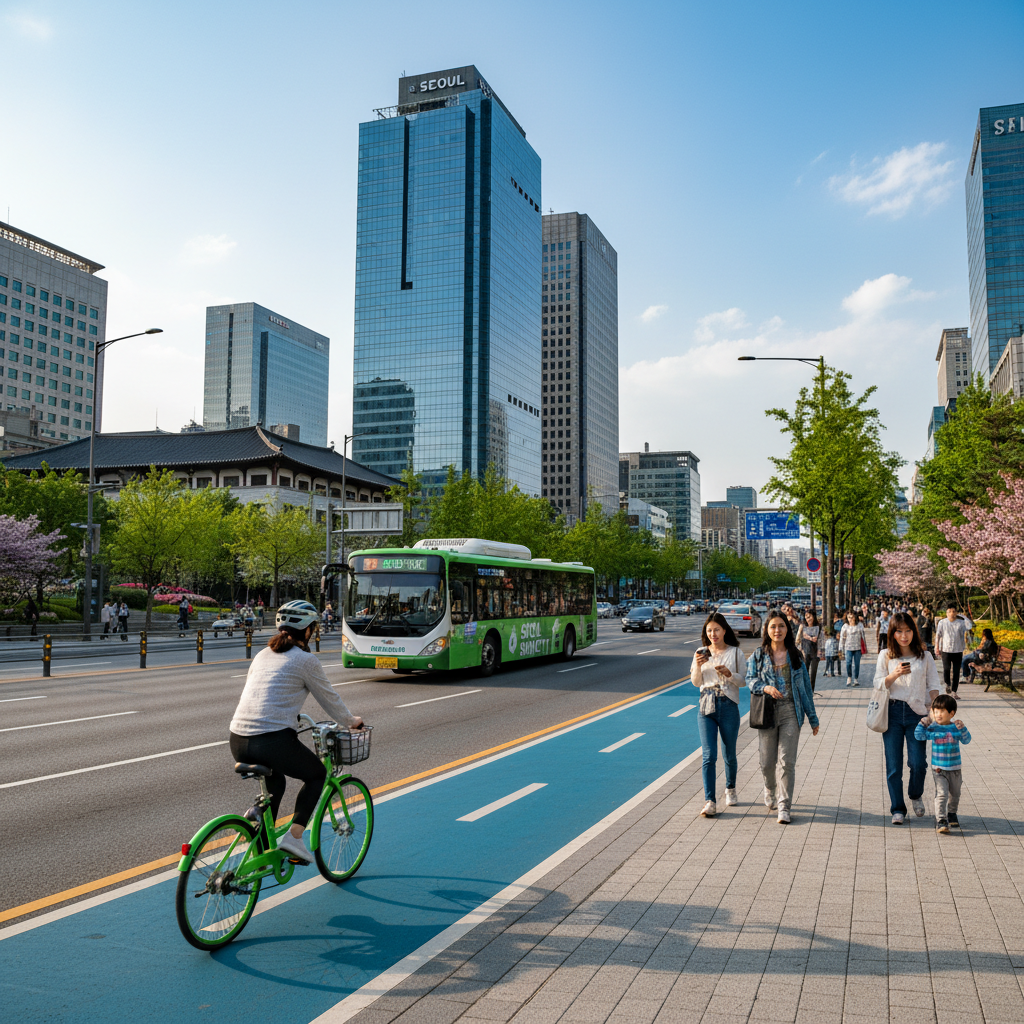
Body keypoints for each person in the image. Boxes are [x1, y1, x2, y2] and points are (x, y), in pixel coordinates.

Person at [229, 600, 364, 863]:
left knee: (276, 782)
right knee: (317, 775)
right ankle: (294, 838)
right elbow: (329, 699)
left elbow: (260, 693)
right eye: (314, 627)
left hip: (237, 739)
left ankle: (262, 842)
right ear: (307, 630)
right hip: (270, 740)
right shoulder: (305, 660)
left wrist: (290, 715)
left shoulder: (262, 654)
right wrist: (351, 721)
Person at [745, 612, 820, 824]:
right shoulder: (759, 655)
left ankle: (784, 805)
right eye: (773, 627)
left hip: (790, 712)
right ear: (767, 630)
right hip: (767, 712)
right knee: (767, 762)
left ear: (787, 629)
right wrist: (765, 687)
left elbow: (805, 690)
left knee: (787, 761)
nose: (777, 630)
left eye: (781, 626)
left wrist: (813, 718)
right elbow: (750, 679)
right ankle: (770, 788)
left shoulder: (796, 655)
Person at [874, 611, 940, 825]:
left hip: (918, 714)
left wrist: (935, 711)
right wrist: (894, 675)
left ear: (914, 631)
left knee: (918, 763)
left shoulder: (925, 656)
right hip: (892, 713)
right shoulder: (885, 655)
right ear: (892, 633)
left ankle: (915, 794)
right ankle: (897, 809)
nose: (904, 636)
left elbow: (933, 685)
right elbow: (877, 683)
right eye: (899, 631)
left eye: (908, 631)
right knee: (894, 766)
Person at [691, 613, 749, 818]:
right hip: (706, 706)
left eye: (716, 629)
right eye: (709, 630)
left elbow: (743, 681)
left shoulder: (735, 652)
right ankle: (710, 801)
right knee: (709, 755)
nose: (713, 634)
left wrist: (729, 674)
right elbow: (696, 682)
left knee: (729, 754)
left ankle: (730, 788)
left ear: (724, 630)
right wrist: (698, 665)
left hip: (728, 705)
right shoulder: (700, 652)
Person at [915, 694, 971, 834]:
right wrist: (922, 723)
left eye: (942, 711)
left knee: (955, 794)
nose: (938, 714)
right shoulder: (933, 727)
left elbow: (966, 740)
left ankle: (952, 813)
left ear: (951, 713)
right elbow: (919, 736)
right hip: (939, 769)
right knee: (942, 794)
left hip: (955, 768)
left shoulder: (955, 727)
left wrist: (963, 728)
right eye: (935, 711)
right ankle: (941, 819)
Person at [935, 605, 973, 695]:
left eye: (953, 611)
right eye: (949, 611)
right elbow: (938, 635)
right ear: (946, 613)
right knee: (946, 669)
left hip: (958, 650)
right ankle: (947, 684)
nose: (951, 613)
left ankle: (954, 691)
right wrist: (937, 647)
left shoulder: (961, 623)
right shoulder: (942, 623)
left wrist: (963, 616)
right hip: (946, 650)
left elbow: (969, 626)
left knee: (956, 671)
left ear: (956, 613)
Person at [796, 609, 823, 690]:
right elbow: (797, 639)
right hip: (805, 652)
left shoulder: (819, 626)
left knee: (813, 673)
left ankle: (811, 691)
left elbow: (821, 639)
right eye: (806, 617)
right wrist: (799, 650)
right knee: (805, 672)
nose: (808, 619)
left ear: (813, 616)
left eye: (810, 617)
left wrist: (821, 651)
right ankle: (805, 690)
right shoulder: (803, 626)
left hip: (815, 652)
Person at [840, 611, 866, 687]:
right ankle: (849, 677)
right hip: (848, 647)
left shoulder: (860, 625)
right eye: (849, 617)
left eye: (852, 617)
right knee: (848, 663)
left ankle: (856, 678)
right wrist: (841, 648)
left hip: (858, 647)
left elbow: (863, 636)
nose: (850, 619)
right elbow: (842, 637)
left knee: (857, 664)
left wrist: (865, 648)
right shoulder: (845, 626)